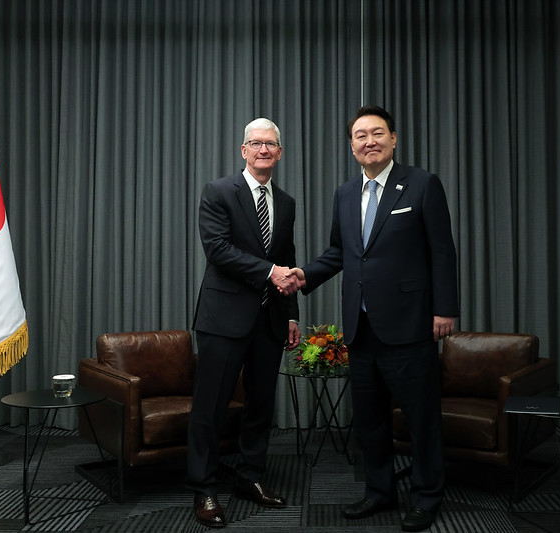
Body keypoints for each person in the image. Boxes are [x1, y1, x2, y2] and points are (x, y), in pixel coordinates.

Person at [290, 105, 459, 532]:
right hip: (361, 329)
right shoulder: (345, 194)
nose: (370, 141)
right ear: (352, 146)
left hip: (410, 324)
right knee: (370, 419)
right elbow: (339, 253)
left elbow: (442, 251)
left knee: (421, 419)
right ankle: (379, 492)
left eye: (378, 133)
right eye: (361, 136)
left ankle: (425, 497)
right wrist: (303, 275)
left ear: (394, 138)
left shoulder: (422, 185)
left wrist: (445, 309)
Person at [187, 117, 302, 528]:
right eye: (255, 144)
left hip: (269, 319)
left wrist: (291, 314)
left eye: (270, 144)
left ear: (280, 152)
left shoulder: (285, 202)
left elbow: (286, 256)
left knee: (260, 404)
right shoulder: (218, 191)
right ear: (243, 151)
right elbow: (217, 249)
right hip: (223, 318)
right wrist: (270, 272)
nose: (263, 150)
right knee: (211, 406)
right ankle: (204, 486)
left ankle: (250, 477)